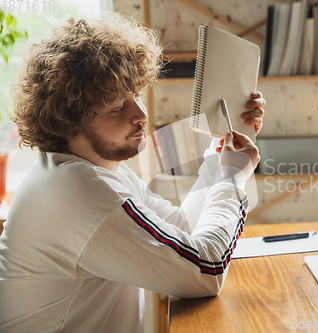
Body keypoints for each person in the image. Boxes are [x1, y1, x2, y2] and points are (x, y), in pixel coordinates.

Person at [0, 13, 265, 332]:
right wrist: (232, 177)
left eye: (136, 95)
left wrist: (221, 151)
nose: (141, 114)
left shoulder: (92, 170)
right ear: (69, 120)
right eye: (117, 107)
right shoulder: (78, 192)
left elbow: (180, 228)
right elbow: (206, 271)